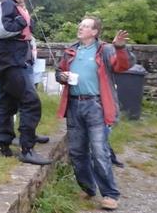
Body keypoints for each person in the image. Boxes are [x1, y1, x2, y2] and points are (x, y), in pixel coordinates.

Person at [55, 16, 134, 211]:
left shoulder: (105, 50)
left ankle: (110, 194)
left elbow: (123, 66)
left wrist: (121, 48)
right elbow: (59, 71)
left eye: (85, 26)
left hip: (96, 106)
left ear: (95, 32)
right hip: (74, 106)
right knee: (77, 152)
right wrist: (61, 76)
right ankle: (89, 188)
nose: (80, 28)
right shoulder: (71, 50)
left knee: (99, 152)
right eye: (80, 25)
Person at [0, 0, 51, 166]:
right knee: (31, 102)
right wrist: (23, 20)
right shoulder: (4, 3)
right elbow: (3, 30)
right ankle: (27, 148)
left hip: (7, 59)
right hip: (9, 61)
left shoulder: (10, 5)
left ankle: (4, 144)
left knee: (8, 102)